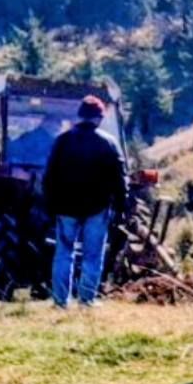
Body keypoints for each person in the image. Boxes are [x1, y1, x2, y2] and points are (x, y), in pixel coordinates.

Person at [42, 95, 127, 308]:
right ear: (99, 118)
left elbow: (49, 177)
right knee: (92, 255)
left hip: (65, 207)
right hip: (97, 208)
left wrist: (51, 206)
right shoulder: (108, 143)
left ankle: (61, 301)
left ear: (79, 116)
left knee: (63, 253)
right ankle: (86, 300)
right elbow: (119, 178)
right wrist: (121, 207)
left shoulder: (62, 141)